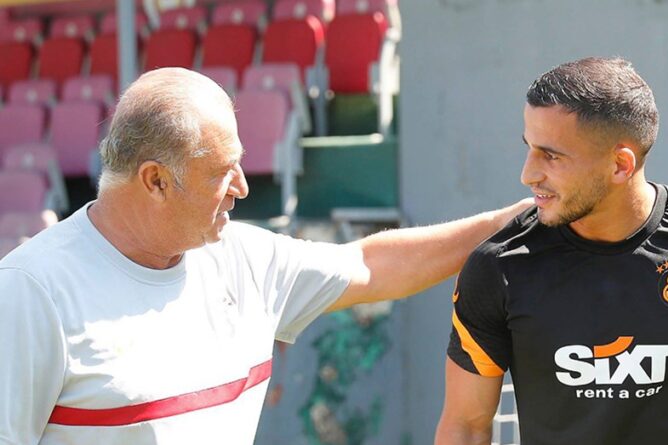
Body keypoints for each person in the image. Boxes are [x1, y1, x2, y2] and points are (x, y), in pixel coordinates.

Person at [0, 68, 531, 445]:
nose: (242, 187)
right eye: (221, 172)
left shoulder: (243, 257)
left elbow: (373, 267)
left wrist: (510, 221)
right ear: (156, 181)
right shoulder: (30, 292)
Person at [435, 57, 668, 445]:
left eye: (551, 155)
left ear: (620, 165)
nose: (528, 174)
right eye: (529, 148)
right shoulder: (498, 266)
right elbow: (466, 426)